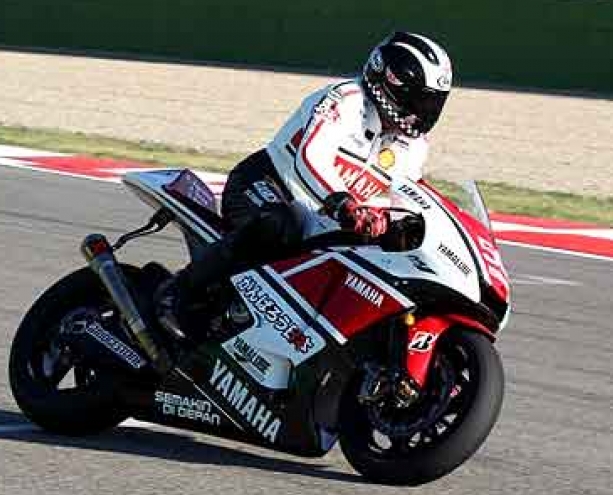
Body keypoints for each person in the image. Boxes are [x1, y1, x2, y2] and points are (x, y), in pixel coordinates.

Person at [155, 31, 454, 341]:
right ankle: (179, 293)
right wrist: (346, 203)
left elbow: (405, 196)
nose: (424, 113)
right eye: (420, 100)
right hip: (265, 185)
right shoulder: (346, 101)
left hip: (326, 223)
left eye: (433, 103)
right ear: (389, 83)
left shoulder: (414, 146)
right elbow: (312, 156)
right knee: (281, 224)